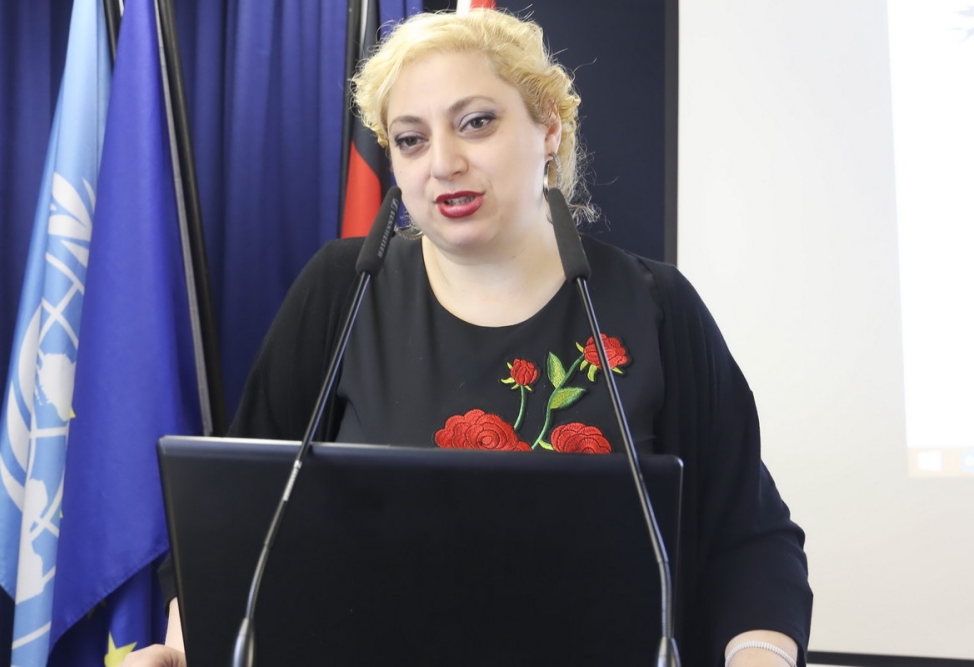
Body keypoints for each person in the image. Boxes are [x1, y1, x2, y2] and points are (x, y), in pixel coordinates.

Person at [126, 8, 811, 667]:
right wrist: (185, 651)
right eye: (411, 139)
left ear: (549, 127)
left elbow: (749, 539)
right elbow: (232, 519)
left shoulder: (655, 305)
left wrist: (760, 658)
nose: (443, 163)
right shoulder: (342, 290)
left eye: (476, 123)